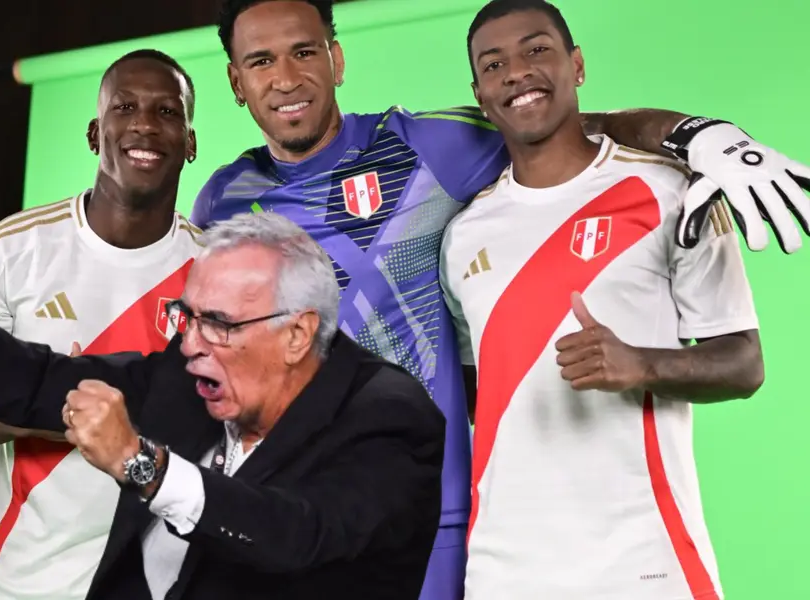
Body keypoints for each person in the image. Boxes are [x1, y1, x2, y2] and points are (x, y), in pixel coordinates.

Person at [190, 1, 809, 597]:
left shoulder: (427, 146)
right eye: (262, 61)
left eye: (304, 52)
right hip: (298, 518)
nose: (287, 78)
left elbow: (558, 120)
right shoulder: (222, 202)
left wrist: (700, 138)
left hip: (426, 520)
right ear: (236, 81)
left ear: (337, 59)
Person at [0, 211, 447, 599]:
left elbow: (295, 536)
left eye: (218, 323)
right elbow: (44, 381)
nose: (189, 342)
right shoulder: (192, 370)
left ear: (297, 334)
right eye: (188, 316)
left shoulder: (389, 417)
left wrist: (141, 464)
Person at [440, 1, 764, 598]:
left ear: (577, 65)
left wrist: (643, 365)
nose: (516, 71)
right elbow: (479, 397)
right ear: (480, 92)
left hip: (644, 559)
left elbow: (744, 364)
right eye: (493, 64)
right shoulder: (462, 236)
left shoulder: (671, 192)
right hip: (503, 569)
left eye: (536, 49)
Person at [0, 49, 204, 600]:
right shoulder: (11, 250)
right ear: (93, 132)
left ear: (191, 142)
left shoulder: (215, 273)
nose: (145, 125)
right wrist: (70, 415)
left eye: (167, 112)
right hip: (25, 580)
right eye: (125, 106)